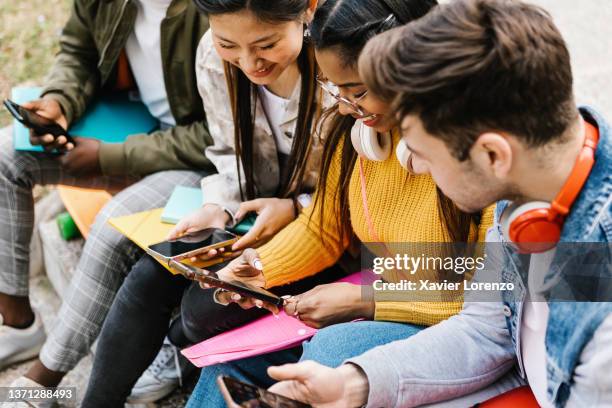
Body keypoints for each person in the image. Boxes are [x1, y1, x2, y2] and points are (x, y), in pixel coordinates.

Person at [264, 0, 612, 407]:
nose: (414, 163)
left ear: (493, 156)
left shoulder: (601, 318)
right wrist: (355, 385)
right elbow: (486, 330)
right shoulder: (528, 190)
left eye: (423, 151)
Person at [185, 1, 498, 406]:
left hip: (455, 325)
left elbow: (497, 299)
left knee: (332, 349)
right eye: (335, 89)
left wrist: (365, 302)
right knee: (229, 361)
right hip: (393, 300)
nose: (346, 107)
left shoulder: (479, 153)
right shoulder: (355, 132)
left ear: (413, 67)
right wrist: (261, 269)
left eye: (358, 91)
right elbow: (322, 227)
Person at [79, 0, 348, 405]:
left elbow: (355, 188)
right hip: (250, 218)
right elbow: (226, 149)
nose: (248, 62)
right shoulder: (212, 56)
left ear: (307, 10)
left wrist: (296, 207)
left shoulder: (339, 70)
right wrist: (220, 205)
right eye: (229, 44)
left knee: (201, 309)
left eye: (266, 44)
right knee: (151, 273)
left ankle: (179, 346)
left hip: (321, 232)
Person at [0, 0, 214, 396]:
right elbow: (78, 51)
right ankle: (18, 323)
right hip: (135, 125)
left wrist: (108, 157)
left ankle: (42, 382)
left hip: (200, 157)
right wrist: (59, 101)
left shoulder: (212, 12)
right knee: (6, 157)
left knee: (112, 224)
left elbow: (220, 134)